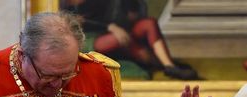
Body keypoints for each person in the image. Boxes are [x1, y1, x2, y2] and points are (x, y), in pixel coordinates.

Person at [61, 0, 199, 80]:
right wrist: (110, 26)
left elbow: (134, 14)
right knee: (117, 38)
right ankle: (153, 61)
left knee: (148, 23)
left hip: (122, 30)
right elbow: (76, 19)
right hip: (92, 35)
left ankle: (169, 66)